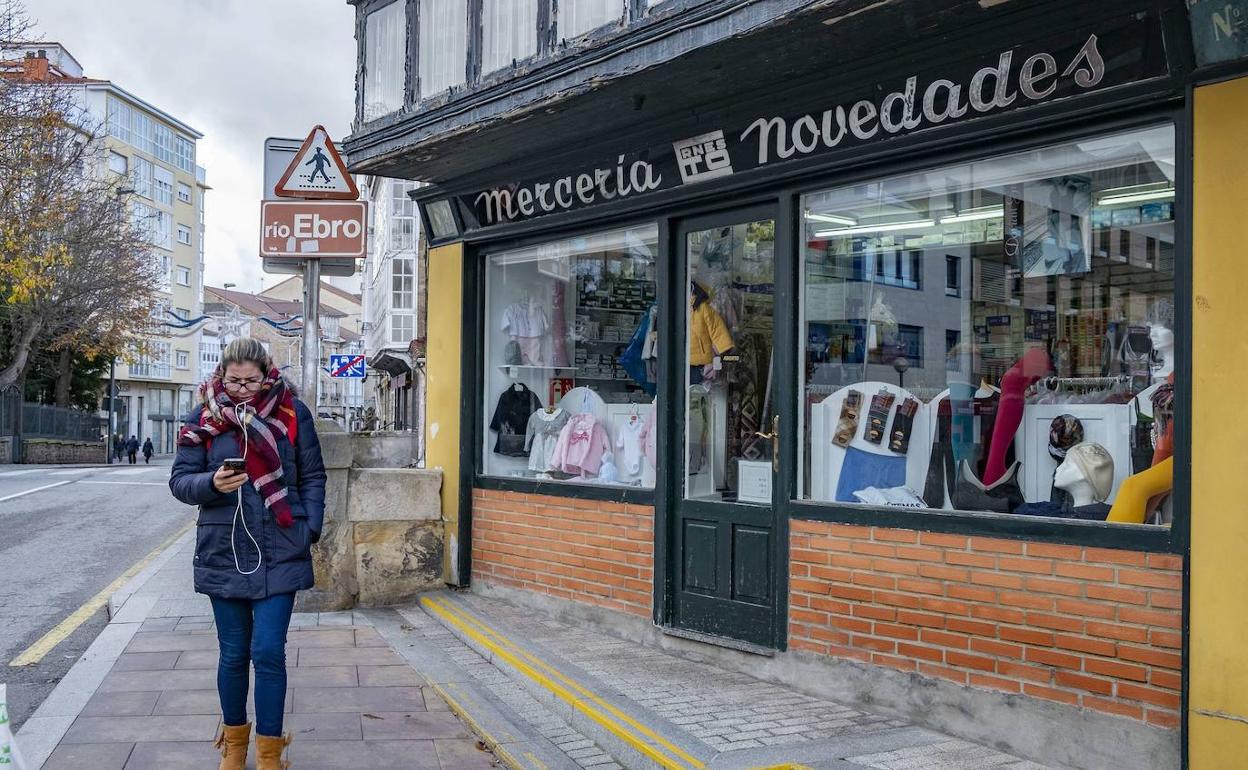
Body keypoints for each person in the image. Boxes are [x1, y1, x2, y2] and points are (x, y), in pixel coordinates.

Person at [169, 338, 326, 770]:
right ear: (222, 375)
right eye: (234, 381)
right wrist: (210, 484)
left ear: (267, 373)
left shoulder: (293, 413)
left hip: (282, 544)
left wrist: (309, 527)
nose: (241, 389)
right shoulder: (202, 417)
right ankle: (235, 747)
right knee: (234, 652)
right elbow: (180, 480)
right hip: (224, 547)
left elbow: (312, 474)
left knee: (269, 650)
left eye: (251, 381)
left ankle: (270, 753)